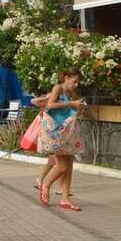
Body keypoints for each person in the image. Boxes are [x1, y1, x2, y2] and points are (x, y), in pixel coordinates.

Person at [37, 67, 86, 211]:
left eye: (78, 82)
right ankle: (45, 185)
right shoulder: (58, 88)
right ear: (66, 78)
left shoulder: (72, 93)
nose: (76, 85)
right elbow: (50, 105)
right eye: (74, 81)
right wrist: (72, 104)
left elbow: (72, 112)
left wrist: (80, 107)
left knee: (69, 166)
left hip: (66, 133)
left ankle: (65, 199)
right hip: (55, 131)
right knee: (62, 166)